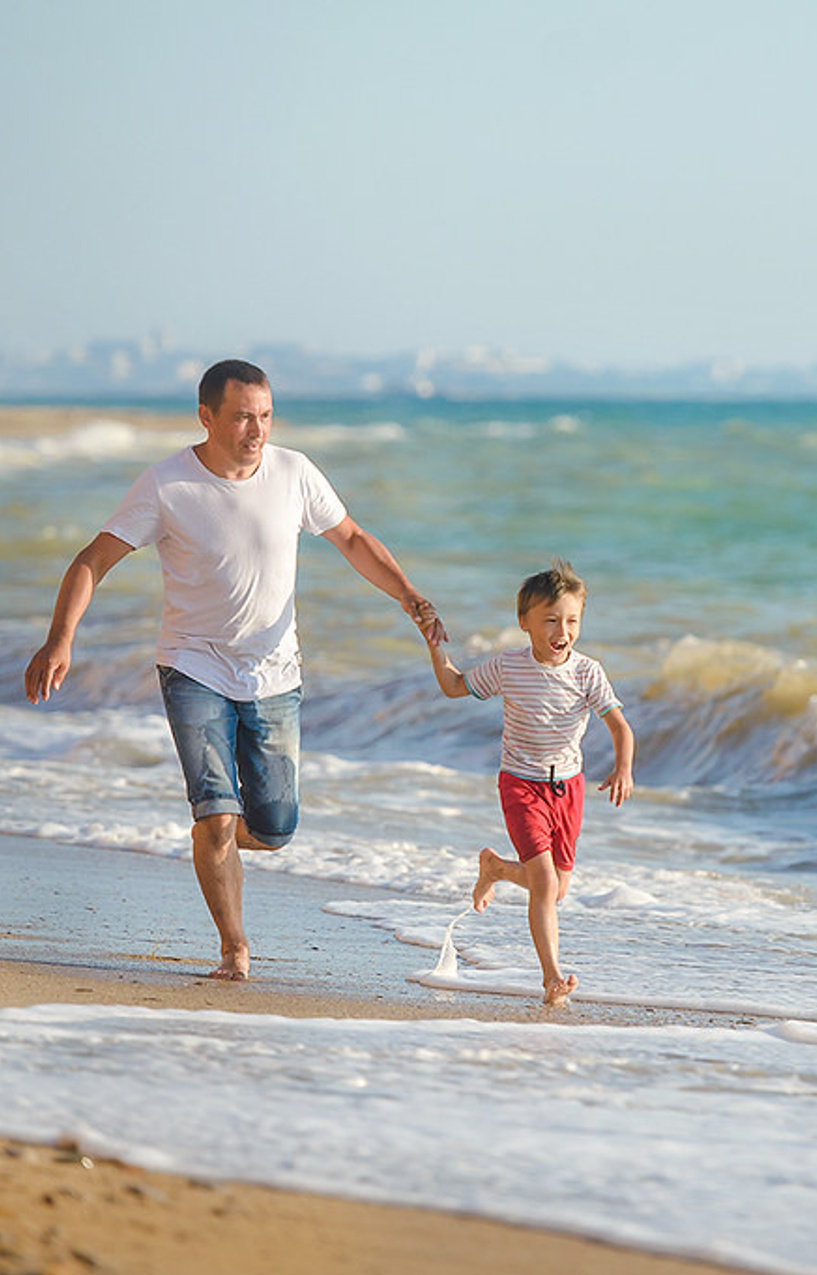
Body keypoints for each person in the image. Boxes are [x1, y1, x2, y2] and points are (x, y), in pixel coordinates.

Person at [23, 359, 445, 981]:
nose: (258, 430)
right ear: (207, 416)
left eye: (266, 415)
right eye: (244, 416)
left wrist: (409, 595)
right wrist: (61, 638)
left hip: (275, 675)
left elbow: (352, 538)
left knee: (275, 828)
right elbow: (92, 559)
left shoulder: (294, 472)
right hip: (192, 666)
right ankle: (234, 946)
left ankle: (213, 837)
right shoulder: (167, 485)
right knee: (217, 814)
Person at [418, 559, 634, 1005]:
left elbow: (619, 726)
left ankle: (496, 869)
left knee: (557, 888)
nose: (563, 631)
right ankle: (551, 976)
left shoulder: (587, 672)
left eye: (572, 621)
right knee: (545, 884)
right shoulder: (509, 666)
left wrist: (623, 767)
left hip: (568, 788)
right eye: (551, 620)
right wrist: (434, 646)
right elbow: (455, 687)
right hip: (520, 783)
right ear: (525, 622)